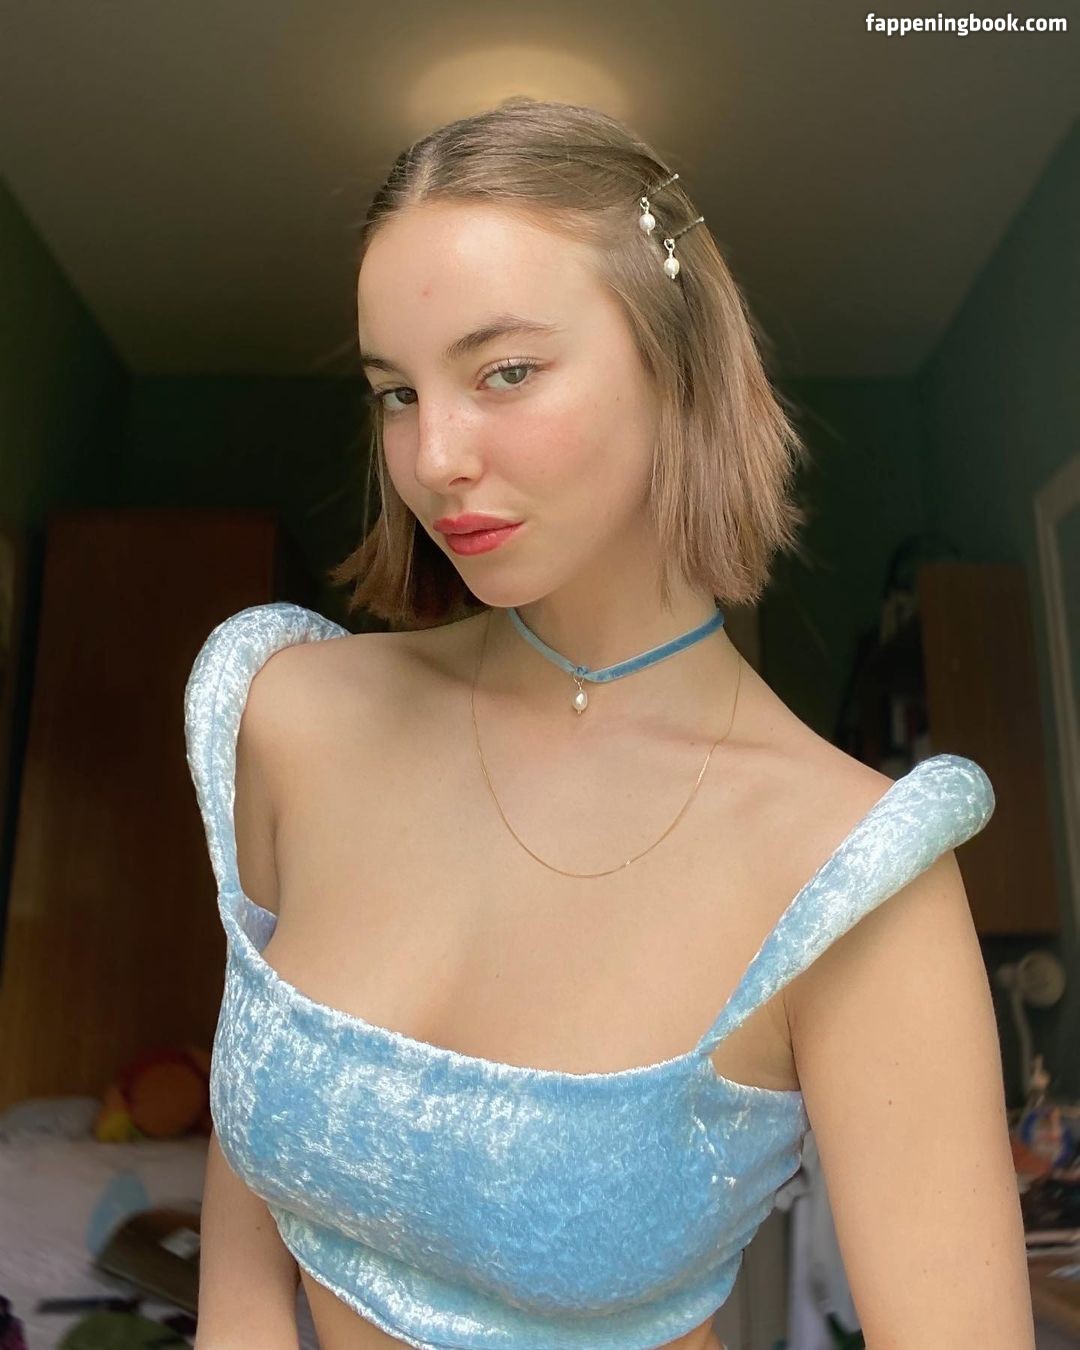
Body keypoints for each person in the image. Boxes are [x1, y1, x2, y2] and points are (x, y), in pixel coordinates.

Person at [185, 97, 1034, 1350]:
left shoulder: (847, 875)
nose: (435, 456)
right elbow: (248, 1246)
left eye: (505, 372)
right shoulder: (292, 717)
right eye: (396, 393)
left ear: (676, 363)